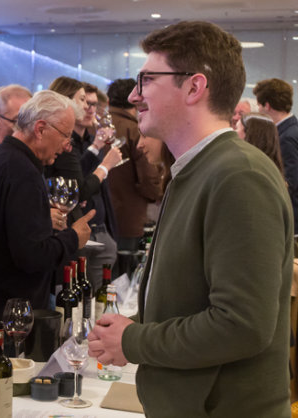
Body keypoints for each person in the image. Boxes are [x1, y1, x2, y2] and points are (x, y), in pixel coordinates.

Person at [89, 21, 292, 417]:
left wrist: (135, 341)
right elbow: (193, 298)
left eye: (147, 79)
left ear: (194, 87)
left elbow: (242, 325)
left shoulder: (238, 176)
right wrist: (134, 328)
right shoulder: (200, 170)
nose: (133, 95)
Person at [0, 90, 94, 343]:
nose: (67, 146)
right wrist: (73, 237)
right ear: (40, 129)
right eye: (65, 135)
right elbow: (32, 256)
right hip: (6, 307)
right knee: (7, 370)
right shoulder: (22, 172)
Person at [48, 77, 122, 289]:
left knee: (95, 293)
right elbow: (79, 188)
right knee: (73, 293)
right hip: (71, 229)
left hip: (96, 227)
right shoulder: (67, 142)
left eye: (93, 104)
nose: (89, 108)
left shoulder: (86, 140)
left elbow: (81, 185)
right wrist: (104, 166)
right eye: (83, 101)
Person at [104, 78, 163, 252]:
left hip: (97, 217)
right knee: (126, 266)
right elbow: (147, 177)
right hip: (128, 217)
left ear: (109, 101)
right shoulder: (136, 130)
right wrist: (159, 194)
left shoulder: (95, 127)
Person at [254, 78, 298, 234]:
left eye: (259, 105)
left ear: (267, 105)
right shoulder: (291, 130)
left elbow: (290, 182)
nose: (258, 109)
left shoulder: (285, 137)